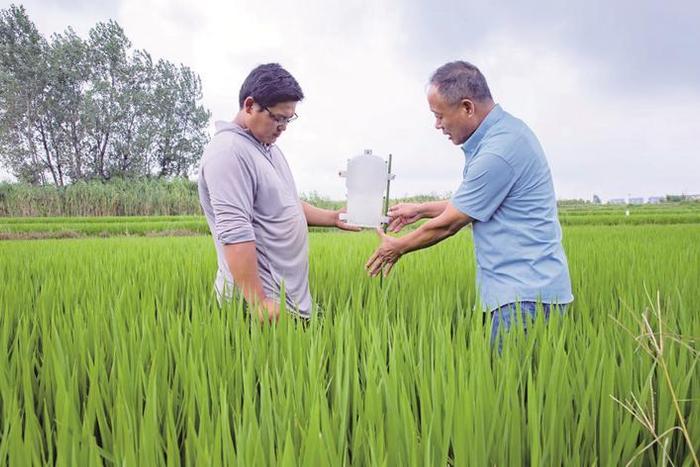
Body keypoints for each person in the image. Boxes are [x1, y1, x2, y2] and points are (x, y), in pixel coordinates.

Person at [366, 60, 573, 342]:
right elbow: (474, 202)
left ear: (467, 107)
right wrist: (422, 209)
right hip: (526, 293)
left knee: (508, 385)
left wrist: (398, 246)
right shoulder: (508, 135)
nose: (437, 125)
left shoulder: (498, 152)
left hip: (523, 299)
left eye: (439, 116)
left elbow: (449, 224)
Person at [198, 63, 358, 323]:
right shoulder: (229, 153)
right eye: (278, 117)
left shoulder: (266, 147)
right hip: (257, 309)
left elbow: (285, 203)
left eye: (289, 119)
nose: (283, 126)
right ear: (250, 106)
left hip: (288, 302)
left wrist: (332, 217)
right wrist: (259, 302)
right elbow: (235, 232)